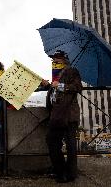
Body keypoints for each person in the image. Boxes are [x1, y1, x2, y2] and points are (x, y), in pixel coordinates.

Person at [41, 50, 83, 183]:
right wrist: (48, 85)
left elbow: (77, 87)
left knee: (70, 145)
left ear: (64, 60)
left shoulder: (71, 70)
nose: (54, 62)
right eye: (53, 60)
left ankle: (70, 174)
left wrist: (59, 85)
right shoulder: (56, 75)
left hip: (69, 115)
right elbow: (55, 92)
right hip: (57, 114)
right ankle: (61, 171)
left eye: (57, 60)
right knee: (52, 142)